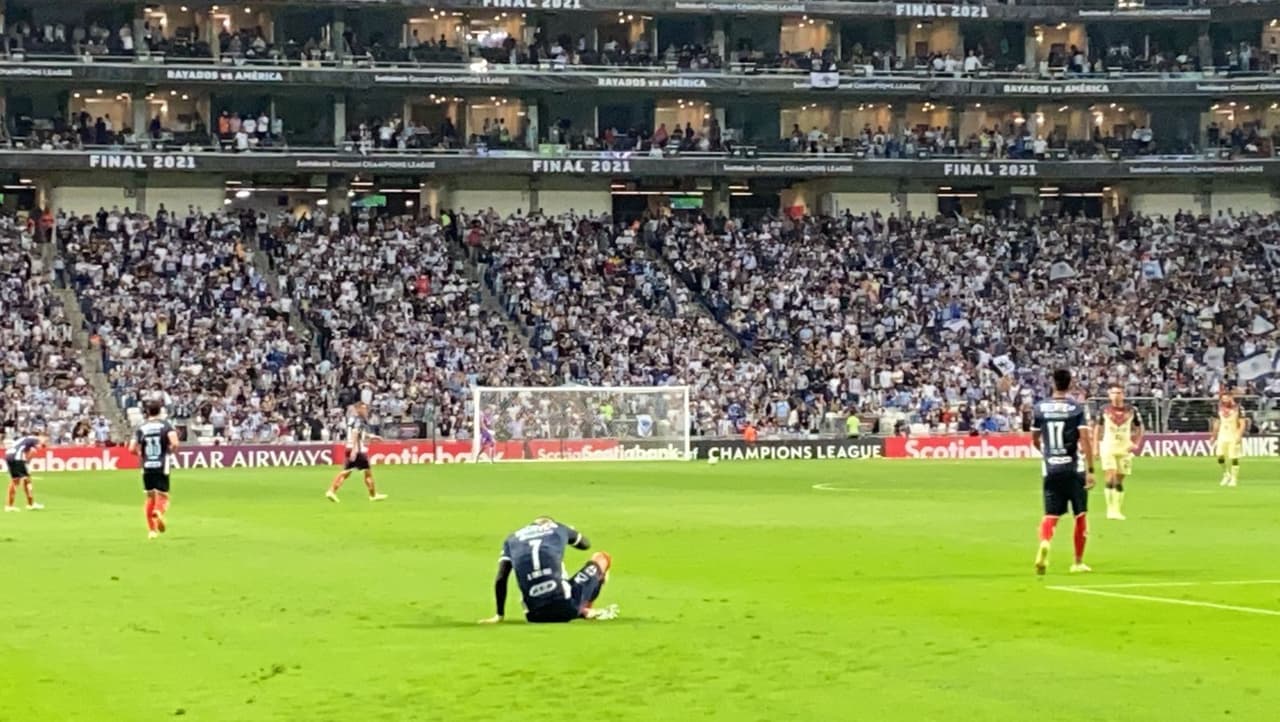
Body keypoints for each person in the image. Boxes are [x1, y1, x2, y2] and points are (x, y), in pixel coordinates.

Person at [479, 517, 617, 624]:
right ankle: (584, 609)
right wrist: (569, 533)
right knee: (602, 558)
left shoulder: (512, 538)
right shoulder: (558, 527)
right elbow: (585, 545)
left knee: (554, 583)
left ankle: (580, 609)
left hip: (534, 616)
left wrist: (499, 615)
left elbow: (501, 578)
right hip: (566, 608)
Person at [1031, 369, 1096, 576]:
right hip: (1073, 467)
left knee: (1050, 514)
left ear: (1053, 383)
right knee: (1080, 515)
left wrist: (1048, 454)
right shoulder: (1075, 408)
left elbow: (1034, 439)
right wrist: (1091, 469)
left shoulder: (1040, 408)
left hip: (1050, 468)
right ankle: (1077, 561)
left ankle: (1045, 542)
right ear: (1070, 384)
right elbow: (1084, 438)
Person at [126, 401, 179, 540]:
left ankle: (152, 531)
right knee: (163, 496)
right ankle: (158, 511)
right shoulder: (166, 426)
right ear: (160, 411)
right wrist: (169, 452)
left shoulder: (141, 428)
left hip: (147, 465)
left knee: (150, 497)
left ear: (147, 412)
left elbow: (131, 448)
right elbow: (175, 443)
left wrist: (141, 454)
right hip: (162, 464)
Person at [1093, 385, 1143, 520]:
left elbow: (1139, 427)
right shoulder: (1104, 410)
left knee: (1120, 480)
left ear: (1123, 394)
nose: (1116, 395)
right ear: (1109, 395)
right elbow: (1097, 428)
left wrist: (1136, 443)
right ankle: (1110, 510)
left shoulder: (1132, 410)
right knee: (1111, 475)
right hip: (1108, 446)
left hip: (1125, 448)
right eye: (1113, 393)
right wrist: (1096, 446)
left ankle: (1117, 509)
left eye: (1119, 393)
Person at [326, 402, 387, 502]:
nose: (366, 411)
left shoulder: (352, 419)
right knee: (367, 472)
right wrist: (355, 450)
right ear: (358, 409)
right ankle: (373, 495)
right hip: (357, 449)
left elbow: (360, 433)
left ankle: (331, 491)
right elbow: (355, 433)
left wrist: (373, 436)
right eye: (364, 409)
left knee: (346, 472)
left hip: (350, 447)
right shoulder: (358, 420)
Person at [1210, 389, 1247, 487]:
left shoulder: (1238, 408)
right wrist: (1214, 435)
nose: (1225, 401)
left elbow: (1242, 423)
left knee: (1234, 457)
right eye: (1223, 399)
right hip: (1222, 435)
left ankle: (1234, 479)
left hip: (1233, 435)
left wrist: (1239, 435)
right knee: (1219, 455)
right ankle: (1226, 474)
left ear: (1231, 397)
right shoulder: (1218, 408)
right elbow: (1217, 422)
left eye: (1226, 399)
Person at [4, 433, 48, 512]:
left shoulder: (26, 439)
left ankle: (9, 506)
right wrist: (26, 463)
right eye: (45, 439)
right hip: (16, 458)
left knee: (15, 480)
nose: (45, 441)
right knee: (27, 480)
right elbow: (33, 451)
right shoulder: (35, 439)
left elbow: (24, 449)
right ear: (41, 436)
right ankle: (30, 504)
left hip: (8, 456)